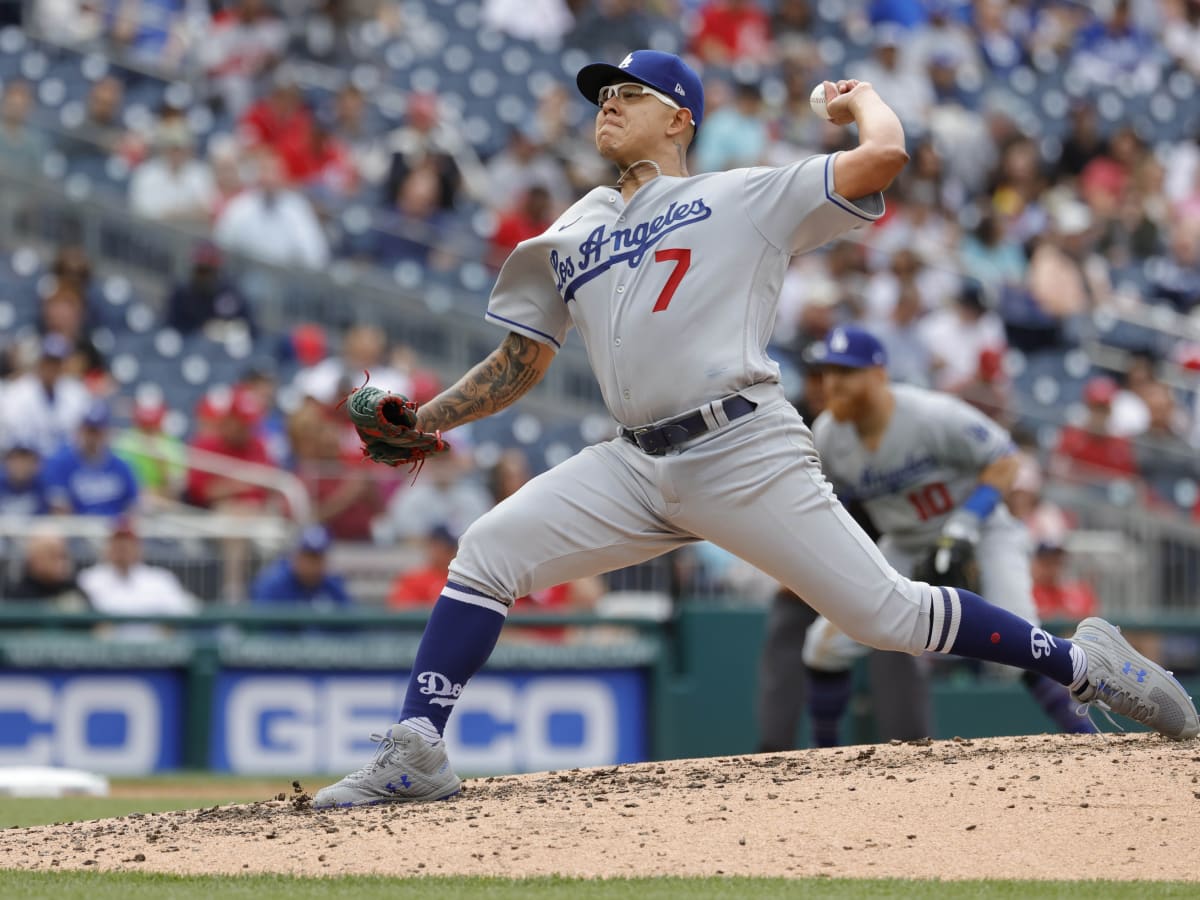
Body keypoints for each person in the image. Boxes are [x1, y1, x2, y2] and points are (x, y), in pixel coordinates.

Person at [313, 51, 1197, 809]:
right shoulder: (574, 227)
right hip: (632, 462)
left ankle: (1080, 661)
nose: (607, 104)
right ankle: (417, 749)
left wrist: (861, 103)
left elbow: (884, 154)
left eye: (629, 93)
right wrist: (426, 422)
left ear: (679, 118)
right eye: (600, 95)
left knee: (888, 614)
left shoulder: (741, 196)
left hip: (740, 446)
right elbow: (524, 360)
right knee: (487, 550)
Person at [771, 326, 1095, 747]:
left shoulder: (929, 414)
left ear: (878, 373)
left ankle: (1090, 743)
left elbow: (1005, 460)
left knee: (1023, 645)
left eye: (846, 372)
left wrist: (964, 524)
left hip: (980, 529)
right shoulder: (830, 435)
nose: (833, 384)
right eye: (827, 372)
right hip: (906, 540)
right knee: (822, 648)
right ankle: (824, 755)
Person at [78, 518, 199, 639]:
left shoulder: (160, 579)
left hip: (154, 651)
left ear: (138, 548)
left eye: (128, 544)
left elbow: (187, 610)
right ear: (108, 548)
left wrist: (167, 626)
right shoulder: (89, 578)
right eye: (117, 543)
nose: (122, 549)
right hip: (104, 653)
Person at [42, 400, 140, 517]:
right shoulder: (61, 463)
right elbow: (59, 509)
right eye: (89, 431)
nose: (93, 438)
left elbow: (133, 506)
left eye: (97, 432)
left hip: (113, 531)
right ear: (79, 431)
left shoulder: (122, 466)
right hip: (75, 531)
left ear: (107, 433)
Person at [249, 525, 354, 609]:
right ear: (296, 556)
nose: (314, 565)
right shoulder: (272, 584)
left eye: (319, 558)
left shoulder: (331, 584)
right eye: (309, 557)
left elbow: (354, 625)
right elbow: (262, 629)